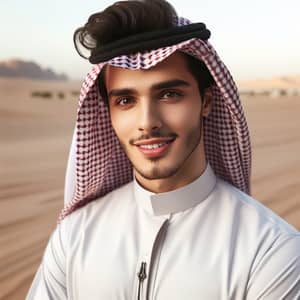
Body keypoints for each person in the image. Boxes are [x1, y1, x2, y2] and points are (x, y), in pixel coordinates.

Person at [26, 0, 300, 299]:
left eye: (169, 94)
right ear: (109, 113)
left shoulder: (271, 249)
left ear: (206, 101)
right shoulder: (74, 237)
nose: (147, 123)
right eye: (125, 101)